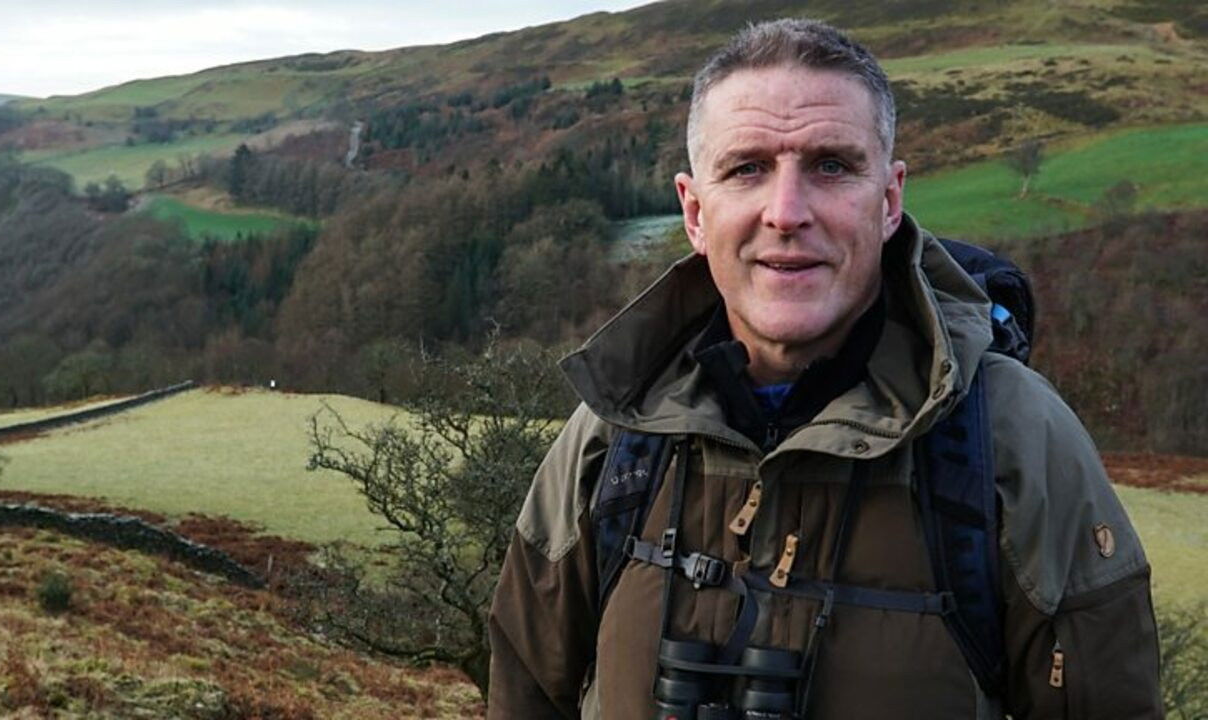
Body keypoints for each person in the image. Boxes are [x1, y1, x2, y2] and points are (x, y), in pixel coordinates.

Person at [486, 18, 1162, 720]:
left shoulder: (1015, 437)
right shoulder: (613, 435)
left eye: (831, 166)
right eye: (747, 169)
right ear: (694, 211)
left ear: (890, 201)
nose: (786, 213)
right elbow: (524, 694)